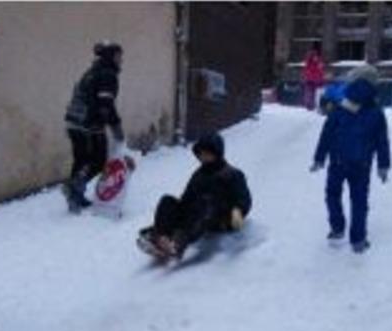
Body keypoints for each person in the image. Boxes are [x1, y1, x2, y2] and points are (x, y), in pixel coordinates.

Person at [312, 64, 390, 254]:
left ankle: (338, 228)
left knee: (332, 194)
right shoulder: (376, 112)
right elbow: (382, 141)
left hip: (337, 161)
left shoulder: (340, 107)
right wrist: (383, 165)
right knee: (359, 201)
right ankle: (358, 240)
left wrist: (319, 158)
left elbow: (327, 134)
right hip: (362, 164)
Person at [137, 133, 251, 260]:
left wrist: (238, 210)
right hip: (197, 215)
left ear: (217, 153)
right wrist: (174, 211)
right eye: (201, 153)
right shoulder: (199, 174)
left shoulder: (232, 174)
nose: (203, 156)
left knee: (206, 203)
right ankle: (161, 236)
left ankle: (177, 244)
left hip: (220, 217)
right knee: (167, 200)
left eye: (208, 152)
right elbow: (188, 197)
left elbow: (244, 198)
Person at [63, 41, 125, 212]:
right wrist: (116, 127)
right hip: (88, 124)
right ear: (110, 57)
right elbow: (106, 104)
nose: (121, 60)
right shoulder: (107, 74)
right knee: (98, 161)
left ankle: (75, 196)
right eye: (118, 56)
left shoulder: (92, 71)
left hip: (73, 121)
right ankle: (74, 187)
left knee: (81, 159)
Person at [302, 42, 326, 111]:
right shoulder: (314, 57)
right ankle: (311, 105)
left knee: (312, 92)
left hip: (314, 77)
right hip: (314, 77)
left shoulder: (313, 57)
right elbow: (318, 67)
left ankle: (311, 105)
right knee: (312, 92)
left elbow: (320, 68)